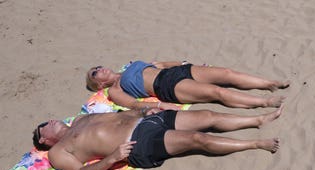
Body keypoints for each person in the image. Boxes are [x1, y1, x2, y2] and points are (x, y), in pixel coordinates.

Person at [33, 106, 283, 170]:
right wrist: (112, 158)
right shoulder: (57, 152)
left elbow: (117, 115)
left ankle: (257, 119)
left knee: (208, 116)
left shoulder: (80, 118)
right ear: (44, 140)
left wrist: (142, 111)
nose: (51, 119)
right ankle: (255, 143)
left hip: (145, 121)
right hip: (137, 141)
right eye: (45, 124)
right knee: (199, 139)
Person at [86, 61, 289, 111]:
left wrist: (184, 63)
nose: (99, 69)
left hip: (173, 72)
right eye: (94, 73)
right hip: (164, 86)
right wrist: (159, 106)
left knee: (226, 74)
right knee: (216, 91)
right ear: (98, 84)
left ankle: (269, 83)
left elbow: (162, 64)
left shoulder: (130, 66)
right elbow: (133, 104)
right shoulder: (115, 89)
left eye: (97, 67)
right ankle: (264, 102)